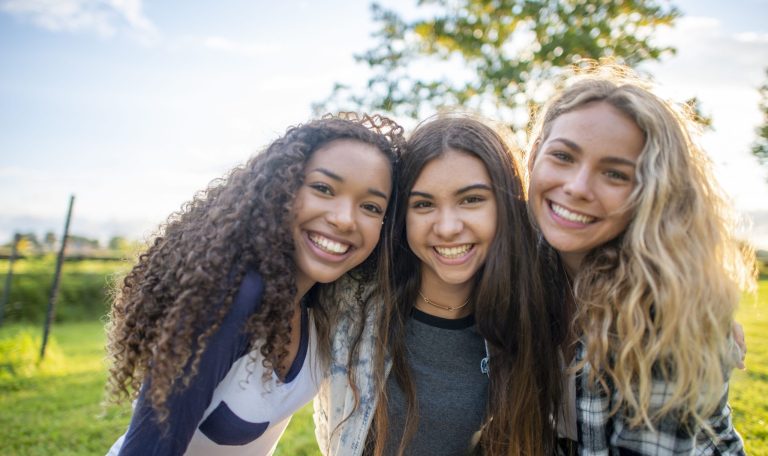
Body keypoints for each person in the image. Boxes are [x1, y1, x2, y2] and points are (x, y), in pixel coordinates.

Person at [105, 113, 404, 455]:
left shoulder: (326, 302)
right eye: (323, 189)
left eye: (370, 206)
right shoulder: (230, 298)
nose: (344, 218)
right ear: (282, 188)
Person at [526, 67, 755, 454]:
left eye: (615, 174)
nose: (577, 187)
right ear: (534, 158)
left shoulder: (666, 313)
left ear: (653, 193)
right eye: (563, 156)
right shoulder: (526, 262)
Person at [314, 115, 564, 455]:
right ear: (402, 215)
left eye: (471, 199)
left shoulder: (534, 315)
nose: (447, 227)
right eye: (424, 204)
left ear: (505, 205)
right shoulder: (349, 299)